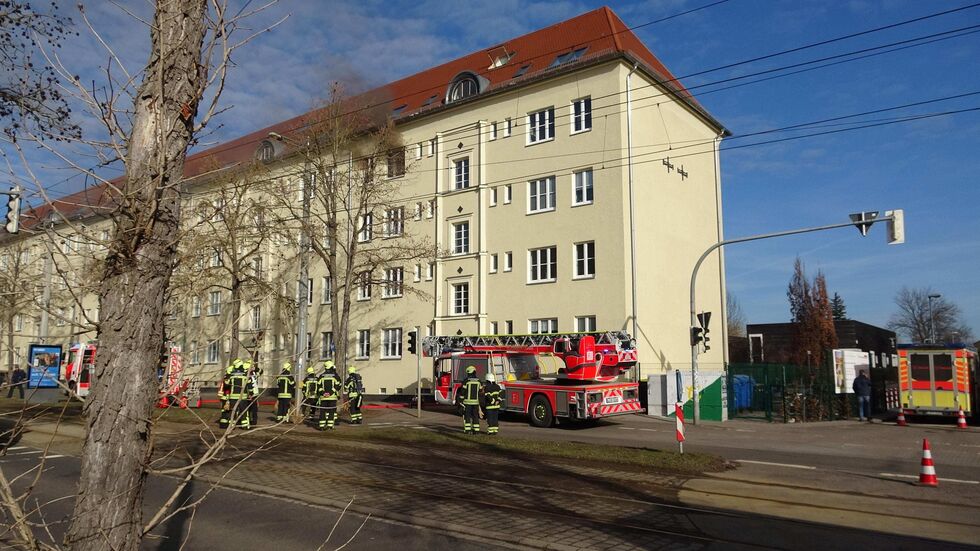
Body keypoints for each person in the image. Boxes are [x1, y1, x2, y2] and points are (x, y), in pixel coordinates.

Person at [226, 362, 252, 429]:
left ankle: (231, 426)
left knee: (233, 412)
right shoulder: (245, 374)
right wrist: (251, 394)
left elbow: (226, 384)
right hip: (242, 397)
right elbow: (250, 385)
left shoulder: (231, 375)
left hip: (233, 397)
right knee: (244, 411)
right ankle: (245, 426)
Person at [318, 361, 341, 431]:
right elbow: (338, 385)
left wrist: (323, 393)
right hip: (332, 397)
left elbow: (318, 386)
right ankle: (330, 426)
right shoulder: (335, 376)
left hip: (323, 397)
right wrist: (330, 393)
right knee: (331, 411)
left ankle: (321, 426)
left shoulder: (321, 376)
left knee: (322, 411)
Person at [460, 365, 482, 434]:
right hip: (475, 403)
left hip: (467, 402)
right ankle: (476, 430)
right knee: (475, 416)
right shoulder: (479, 381)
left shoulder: (466, 381)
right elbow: (480, 392)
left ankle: (468, 430)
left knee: (467, 416)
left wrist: (460, 401)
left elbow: (462, 392)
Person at [482, 371, 502, 435]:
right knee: (495, 418)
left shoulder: (487, 387)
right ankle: (495, 430)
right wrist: (498, 401)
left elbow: (487, 395)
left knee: (490, 419)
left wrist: (492, 401)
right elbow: (501, 395)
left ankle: (490, 431)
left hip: (490, 406)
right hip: (496, 406)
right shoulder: (497, 386)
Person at [218, 363, 236, 428]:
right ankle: (231, 425)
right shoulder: (231, 378)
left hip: (224, 397)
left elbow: (222, 388)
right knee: (232, 410)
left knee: (224, 411)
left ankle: (223, 424)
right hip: (230, 397)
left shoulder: (225, 377)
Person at [244, 360, 260, 427]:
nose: (253, 366)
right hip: (249, 394)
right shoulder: (247, 375)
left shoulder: (254, 373)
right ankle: (250, 421)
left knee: (254, 409)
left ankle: (253, 421)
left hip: (255, 394)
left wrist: (255, 369)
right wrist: (250, 394)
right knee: (249, 408)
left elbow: (260, 371)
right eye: (252, 365)